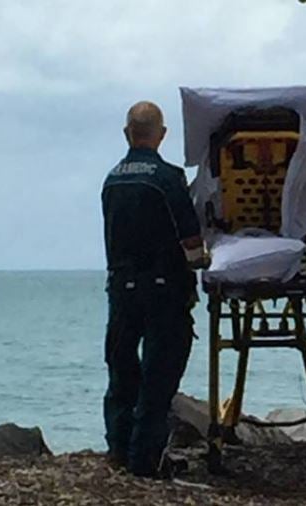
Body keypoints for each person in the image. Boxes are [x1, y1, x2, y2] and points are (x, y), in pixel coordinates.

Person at [101, 101, 205, 477]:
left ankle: (118, 447)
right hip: (163, 290)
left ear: (127, 133)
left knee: (122, 369)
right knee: (159, 374)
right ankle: (146, 457)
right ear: (161, 135)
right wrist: (202, 263)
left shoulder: (112, 180)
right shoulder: (167, 179)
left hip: (121, 288)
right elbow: (191, 239)